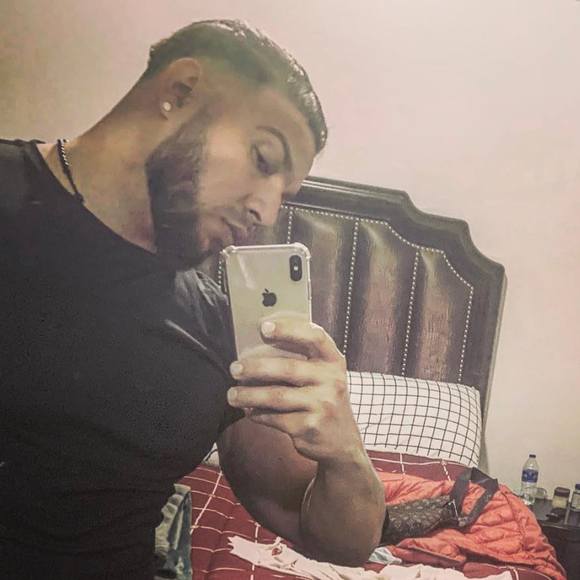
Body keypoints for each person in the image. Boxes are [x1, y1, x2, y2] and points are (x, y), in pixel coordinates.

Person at [0, 20, 386, 579]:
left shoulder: (228, 332)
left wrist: (344, 451)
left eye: (284, 192)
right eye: (263, 158)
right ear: (180, 91)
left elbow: (335, 540)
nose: (266, 211)